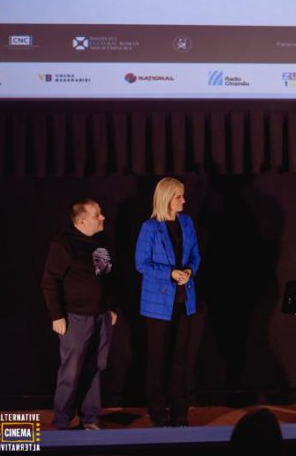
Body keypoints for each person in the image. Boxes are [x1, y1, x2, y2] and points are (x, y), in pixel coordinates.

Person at [41, 198, 118, 430]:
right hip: (75, 318)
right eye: (97, 215)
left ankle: (90, 418)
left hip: (101, 316)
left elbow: (107, 277)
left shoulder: (101, 241)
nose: (103, 217)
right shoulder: (63, 245)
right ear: (82, 221)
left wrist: (112, 308)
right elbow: (49, 281)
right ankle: (62, 420)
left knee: (96, 367)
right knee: (71, 370)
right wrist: (57, 316)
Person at [136, 177, 201, 426]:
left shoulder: (187, 222)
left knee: (180, 358)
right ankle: (157, 409)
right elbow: (141, 264)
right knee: (157, 358)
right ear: (166, 199)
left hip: (184, 300)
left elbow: (195, 255)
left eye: (183, 195)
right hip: (158, 304)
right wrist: (170, 273)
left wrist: (190, 271)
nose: (183, 200)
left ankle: (179, 409)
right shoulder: (150, 227)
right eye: (178, 196)